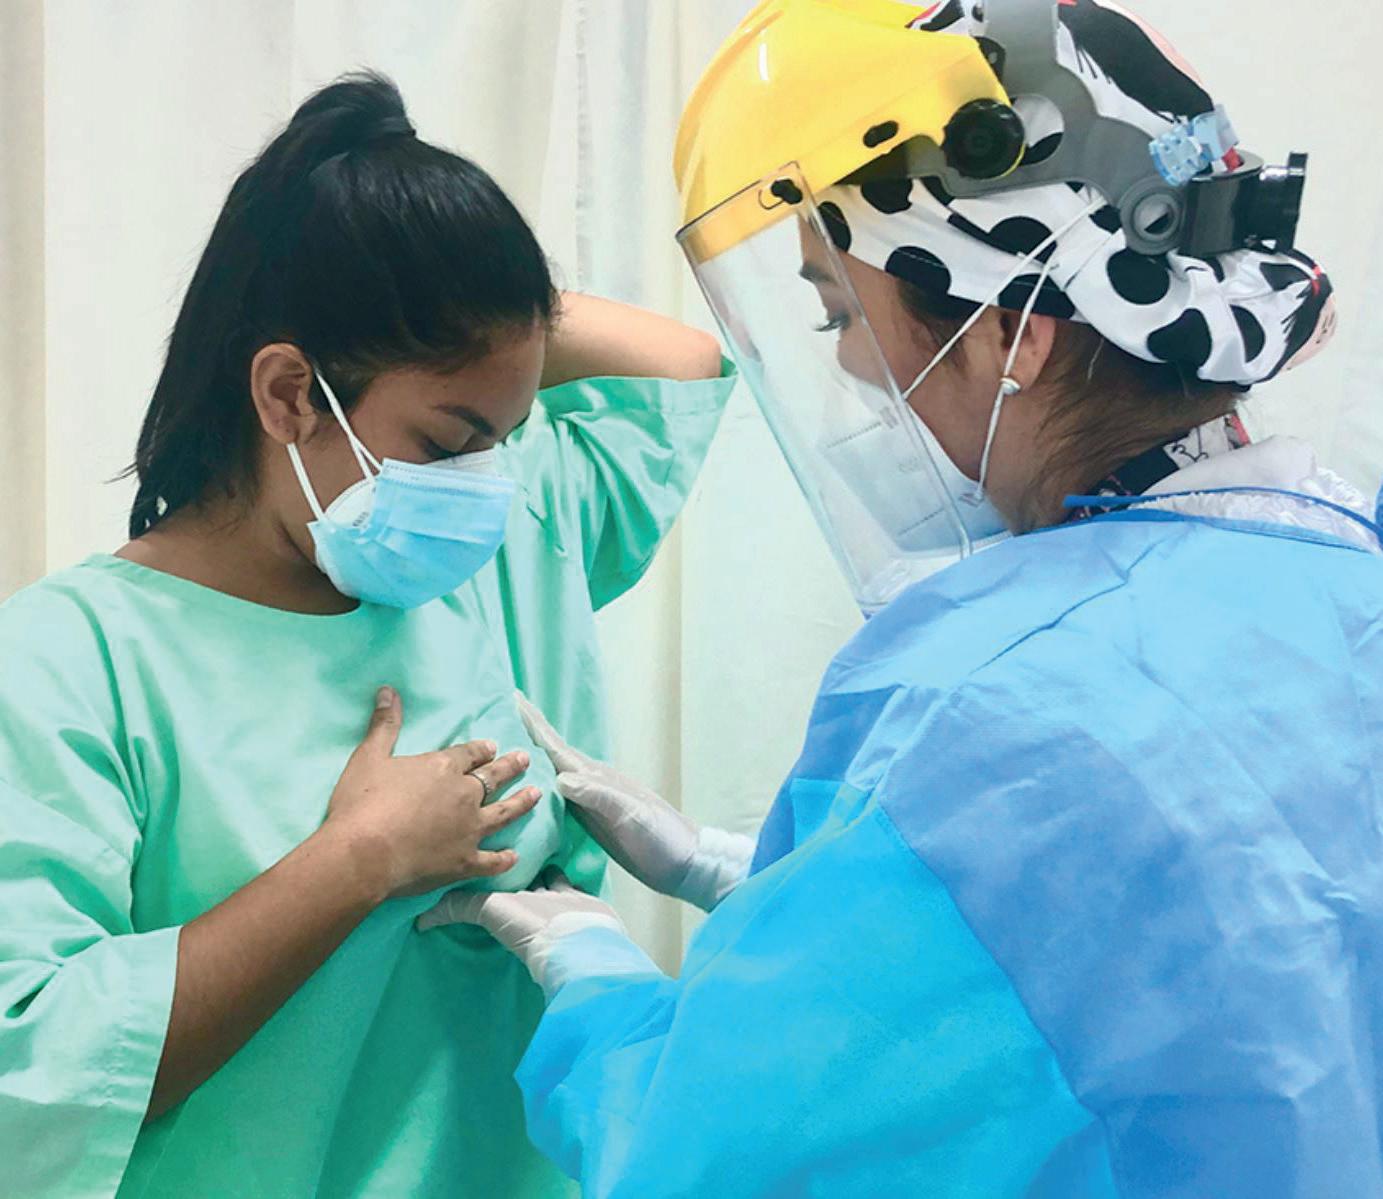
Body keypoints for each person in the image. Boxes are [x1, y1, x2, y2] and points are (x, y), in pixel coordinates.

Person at [420, 2, 1383, 1195]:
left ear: (1014, 331)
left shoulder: (990, 706)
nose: (845, 363)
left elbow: (715, 1156)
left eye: (839, 310)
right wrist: (747, 877)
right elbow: (1183, 968)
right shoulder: (1343, 577)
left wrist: (597, 981)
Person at [0, 73, 732, 1197]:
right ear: (288, 393)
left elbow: (681, 362)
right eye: (448, 440)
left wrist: (479, 295)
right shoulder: (71, 660)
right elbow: (35, 1072)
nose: (483, 480)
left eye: (506, 434)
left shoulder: (497, 542)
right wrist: (355, 861)